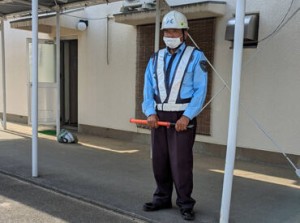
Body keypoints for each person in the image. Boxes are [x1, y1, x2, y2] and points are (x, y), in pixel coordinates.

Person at [141, 10, 208, 221]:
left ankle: (185, 203)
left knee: (180, 163)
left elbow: (200, 90)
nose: (170, 34)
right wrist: (150, 112)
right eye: (167, 31)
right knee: (159, 160)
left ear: (184, 33)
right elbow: (147, 88)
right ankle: (161, 198)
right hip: (159, 116)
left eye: (175, 30)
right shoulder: (155, 58)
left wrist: (187, 116)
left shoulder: (196, 56)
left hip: (181, 117)